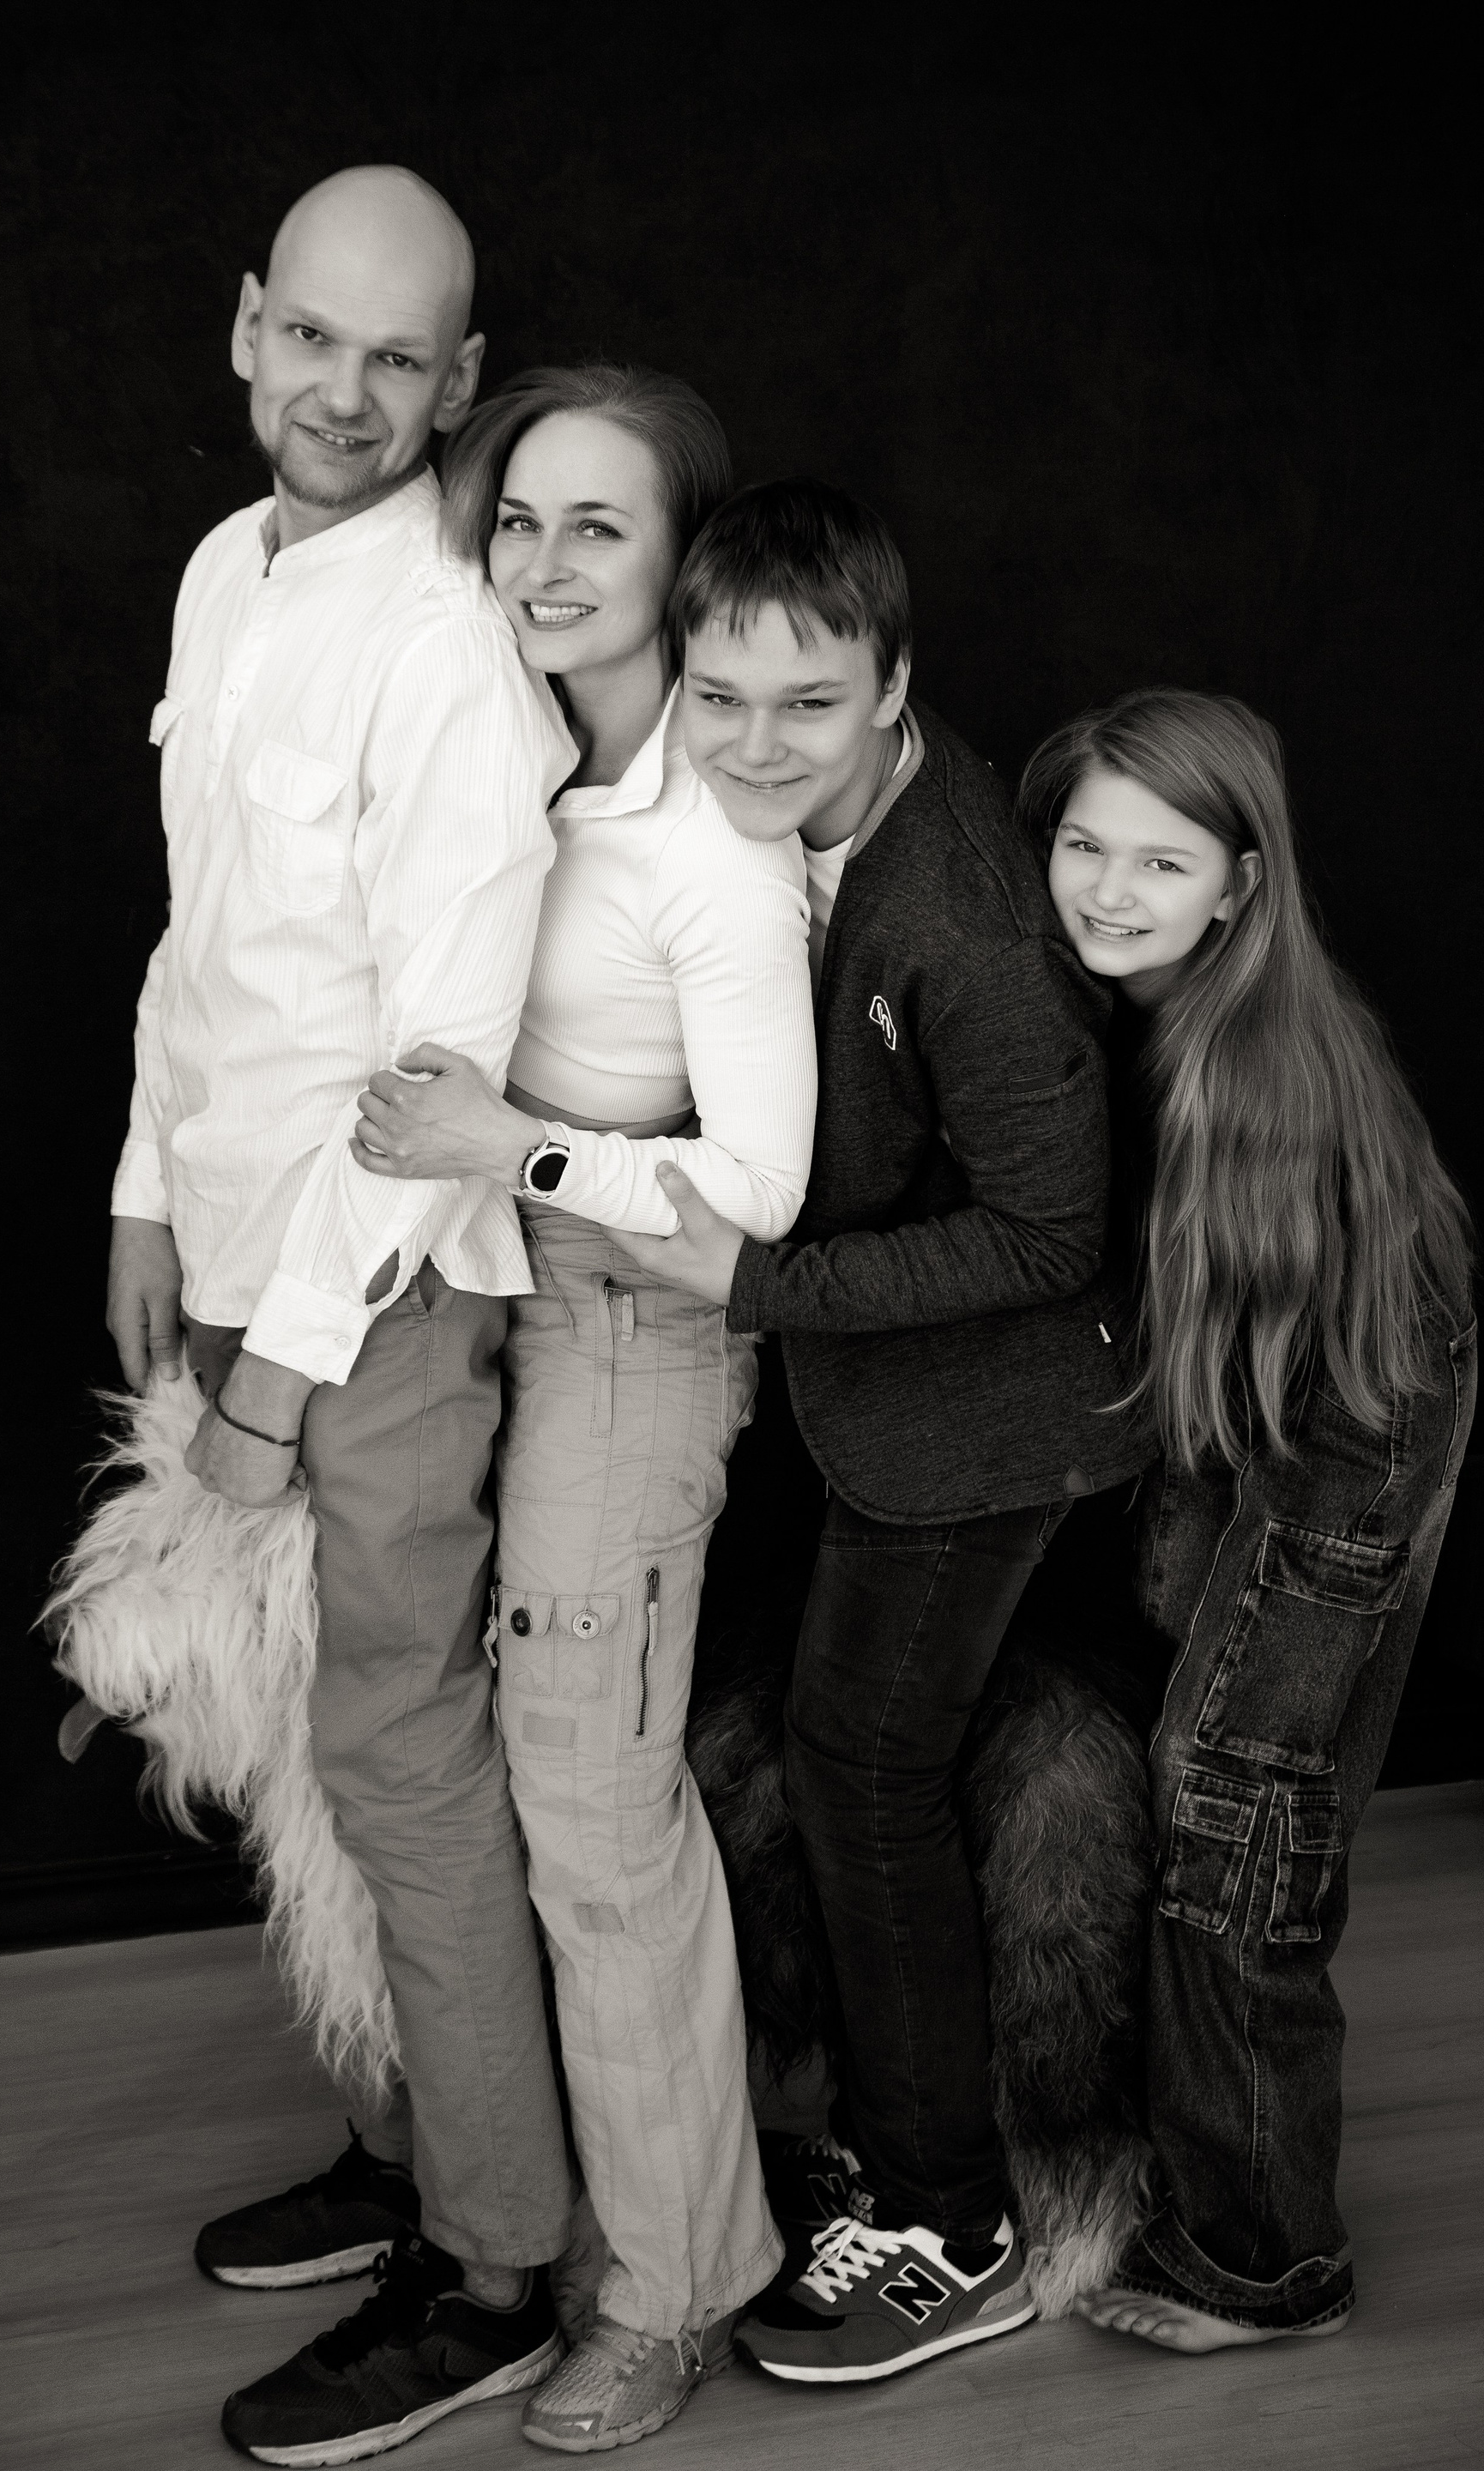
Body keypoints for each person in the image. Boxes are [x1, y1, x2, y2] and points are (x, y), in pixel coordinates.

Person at [104, 167, 588, 2462]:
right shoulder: (227, 568)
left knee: (397, 1762)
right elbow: (200, 935)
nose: (345, 391)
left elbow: (434, 1073)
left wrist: (282, 1370)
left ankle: (492, 2271)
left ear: (459, 380)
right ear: (246, 328)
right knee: (302, 1752)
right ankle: (402, 2155)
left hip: (371, 1302)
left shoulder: (451, 655)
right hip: (222, 1247)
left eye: (399, 359)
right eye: (313, 336)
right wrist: (143, 1189)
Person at [615, 478, 1151, 2386]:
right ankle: (894, 2141)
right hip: (888, 1408)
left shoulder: (964, 919)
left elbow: (1049, 1233)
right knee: (838, 1759)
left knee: (858, 1767)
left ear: (895, 686)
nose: (757, 745)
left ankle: (952, 2223)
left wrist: (753, 1284)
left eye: (810, 705)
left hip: (987, 1423)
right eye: (720, 697)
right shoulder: (779, 830)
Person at [347, 366, 816, 2451]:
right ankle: (480, 2204)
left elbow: (760, 1193)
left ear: (683, 554)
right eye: (519, 517)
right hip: (489, 1281)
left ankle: (676, 2285)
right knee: (458, 1769)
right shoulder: (517, 753)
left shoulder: (711, 838)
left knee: (597, 1810)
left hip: (636, 1317)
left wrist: (511, 1142)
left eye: (597, 525)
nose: (542, 562)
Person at [1019, 688, 1475, 2349]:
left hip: (1348, 1427)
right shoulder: (1129, 1006)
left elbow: (1325, 1381)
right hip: (1256, 1404)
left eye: (1163, 860)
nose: (1111, 888)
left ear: (1240, 883)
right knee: (1176, 1765)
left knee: (1240, 1817)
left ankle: (1272, 2262)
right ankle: (1178, 2158)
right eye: (1085, 845)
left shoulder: (1251, 1065)